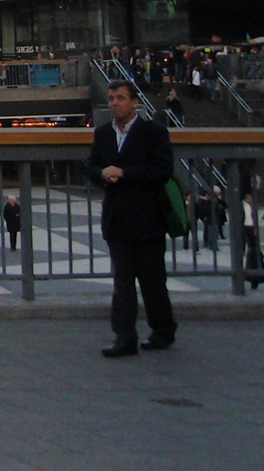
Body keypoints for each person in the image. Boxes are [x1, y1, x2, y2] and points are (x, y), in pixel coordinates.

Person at [85, 79, 177, 356]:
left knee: (153, 280)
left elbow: (162, 170)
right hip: (117, 218)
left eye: (121, 98)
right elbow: (90, 164)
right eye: (112, 98)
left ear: (135, 102)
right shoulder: (102, 133)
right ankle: (124, 337)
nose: (114, 102)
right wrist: (101, 174)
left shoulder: (154, 133)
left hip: (148, 216)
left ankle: (162, 330)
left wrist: (124, 173)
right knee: (122, 281)